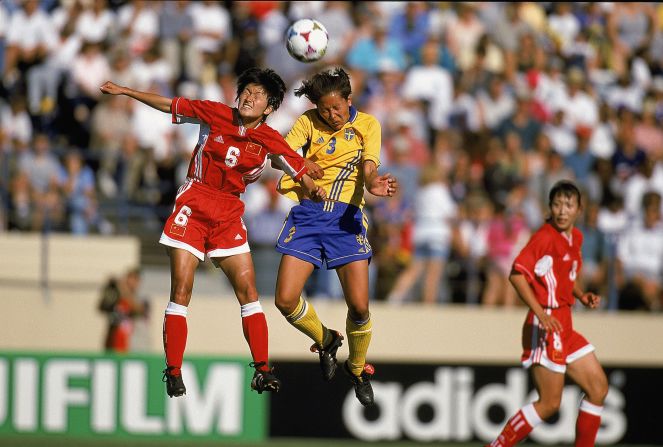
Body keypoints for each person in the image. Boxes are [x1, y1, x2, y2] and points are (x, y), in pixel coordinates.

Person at [99, 67, 325, 398]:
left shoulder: (271, 139)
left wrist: (313, 187)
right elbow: (168, 104)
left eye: (258, 95)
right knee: (183, 289)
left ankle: (263, 370)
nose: (249, 96)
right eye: (247, 90)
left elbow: (298, 170)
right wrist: (126, 90)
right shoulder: (215, 113)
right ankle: (173, 370)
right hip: (194, 202)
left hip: (229, 213)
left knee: (249, 292)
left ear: (270, 107)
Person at [272, 67, 398, 406]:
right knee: (284, 300)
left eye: (337, 108)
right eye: (325, 110)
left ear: (349, 100)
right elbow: (279, 154)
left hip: (346, 218)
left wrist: (372, 184)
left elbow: (370, 168)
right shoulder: (307, 123)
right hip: (309, 215)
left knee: (359, 306)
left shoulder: (368, 125)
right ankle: (326, 339)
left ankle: (356, 368)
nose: (331, 115)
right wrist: (302, 171)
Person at [486, 180, 608, 447]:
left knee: (598, 388)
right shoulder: (544, 237)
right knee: (550, 403)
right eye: (557, 205)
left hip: (565, 324)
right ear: (550, 208)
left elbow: (564, 275)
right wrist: (540, 313)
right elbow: (517, 275)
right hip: (545, 325)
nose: (562, 211)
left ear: (579, 209)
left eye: (568, 205)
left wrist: (581, 295)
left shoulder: (576, 237)